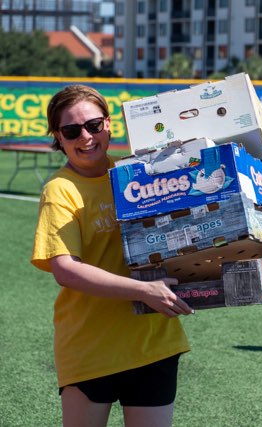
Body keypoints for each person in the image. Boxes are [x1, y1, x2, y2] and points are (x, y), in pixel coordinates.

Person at [31, 85, 193, 427]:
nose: (85, 137)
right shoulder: (59, 190)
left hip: (154, 342)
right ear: (58, 138)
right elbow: (65, 270)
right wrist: (144, 291)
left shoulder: (137, 173)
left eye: (93, 126)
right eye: (72, 131)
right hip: (90, 348)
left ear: (108, 125)